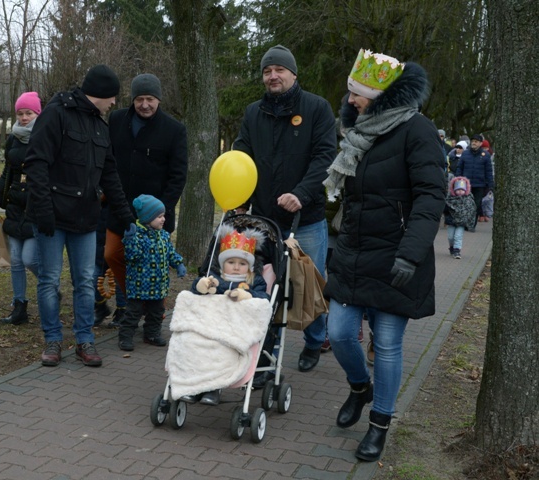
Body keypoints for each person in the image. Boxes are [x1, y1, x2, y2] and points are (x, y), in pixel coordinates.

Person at [323, 48, 446, 462]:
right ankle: (361, 387)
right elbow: (348, 197)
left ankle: (379, 423)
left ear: (380, 94)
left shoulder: (418, 131)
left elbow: (431, 195)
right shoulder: (356, 131)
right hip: (354, 251)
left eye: (358, 93)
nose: (351, 100)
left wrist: (411, 253)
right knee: (339, 333)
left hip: (397, 257)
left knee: (388, 343)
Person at [233, 44, 337, 380]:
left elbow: (325, 157)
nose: (273, 76)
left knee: (310, 285)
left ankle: (315, 339)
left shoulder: (317, 109)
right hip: (263, 217)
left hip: (303, 219)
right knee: (268, 289)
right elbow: (242, 155)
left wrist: (302, 194)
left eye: (279, 69)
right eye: (267, 71)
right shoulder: (253, 113)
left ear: (293, 74)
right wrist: (239, 196)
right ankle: (266, 356)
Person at [24, 64, 135, 368]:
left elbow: (109, 174)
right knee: (48, 280)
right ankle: (52, 341)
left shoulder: (101, 126)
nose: (114, 103)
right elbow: (35, 163)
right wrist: (43, 210)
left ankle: (85, 339)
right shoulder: (56, 113)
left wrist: (126, 216)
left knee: (85, 281)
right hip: (51, 217)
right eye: (112, 96)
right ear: (99, 93)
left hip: (85, 217)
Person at [105, 73, 188, 327]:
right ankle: (132, 304)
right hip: (121, 208)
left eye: (150, 99)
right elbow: (108, 160)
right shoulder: (117, 120)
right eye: (139, 99)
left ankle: (153, 317)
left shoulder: (174, 130)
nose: (144, 105)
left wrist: (158, 213)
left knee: (154, 267)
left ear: (158, 99)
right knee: (113, 254)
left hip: (156, 216)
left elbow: (178, 176)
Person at [184, 226, 270, 405]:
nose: (237, 267)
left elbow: (264, 299)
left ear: (250, 266)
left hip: (237, 329)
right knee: (195, 346)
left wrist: (247, 295)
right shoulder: (215, 278)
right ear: (223, 263)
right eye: (231, 262)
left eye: (242, 264)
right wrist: (202, 286)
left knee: (221, 352)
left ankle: (213, 388)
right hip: (210, 323)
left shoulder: (255, 282)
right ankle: (191, 385)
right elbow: (196, 290)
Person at [0, 92, 41, 325]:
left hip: (37, 208)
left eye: (29, 113)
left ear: (38, 113)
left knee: (30, 258)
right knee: (17, 260)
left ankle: (50, 285)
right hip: (15, 207)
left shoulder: (46, 136)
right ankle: (19, 307)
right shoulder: (13, 139)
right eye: (20, 113)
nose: (24, 117)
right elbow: (7, 174)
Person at [118, 194, 187, 352]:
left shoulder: (163, 235)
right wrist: (129, 241)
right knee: (133, 313)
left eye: (163, 216)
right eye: (159, 216)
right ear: (147, 218)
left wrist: (179, 263)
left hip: (158, 285)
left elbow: (170, 252)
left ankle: (152, 333)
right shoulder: (137, 235)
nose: (163, 219)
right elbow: (131, 257)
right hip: (139, 284)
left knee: (156, 312)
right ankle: (125, 336)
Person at [456, 133, 494, 227]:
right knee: (466, 204)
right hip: (466, 184)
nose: (474, 143)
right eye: (473, 141)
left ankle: (472, 224)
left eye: (476, 141)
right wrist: (457, 179)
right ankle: (466, 222)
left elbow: (488, 171)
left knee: (476, 204)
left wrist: (490, 184)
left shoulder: (485, 155)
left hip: (480, 184)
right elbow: (459, 168)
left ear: (480, 143)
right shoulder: (465, 153)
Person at [444, 176, 477, 260]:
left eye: (462, 190)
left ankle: (457, 250)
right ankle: (451, 247)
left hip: (462, 222)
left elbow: (471, 210)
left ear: (465, 190)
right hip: (452, 221)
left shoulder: (468, 199)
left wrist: (469, 221)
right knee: (451, 236)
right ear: (454, 190)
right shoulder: (450, 199)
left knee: (458, 236)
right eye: (458, 190)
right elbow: (445, 209)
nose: (460, 192)